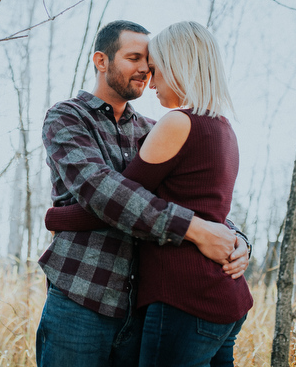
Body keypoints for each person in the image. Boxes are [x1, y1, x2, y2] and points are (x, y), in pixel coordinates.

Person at [37, 20, 250, 367]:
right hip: (83, 296)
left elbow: (198, 198)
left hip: (143, 306)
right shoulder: (68, 118)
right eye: (134, 57)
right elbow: (104, 193)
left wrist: (237, 239)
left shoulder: (155, 130)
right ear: (101, 61)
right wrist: (195, 229)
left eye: (149, 61)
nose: (145, 69)